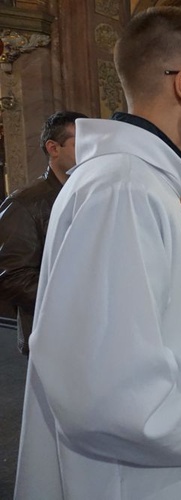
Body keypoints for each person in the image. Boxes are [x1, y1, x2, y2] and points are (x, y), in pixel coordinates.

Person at [15, 8, 181, 500]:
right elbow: (107, 388)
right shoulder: (124, 188)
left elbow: (126, 334)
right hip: (126, 479)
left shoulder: (131, 181)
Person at [0, 110, 86, 356]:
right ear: (53, 148)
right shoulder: (24, 203)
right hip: (50, 337)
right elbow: (12, 277)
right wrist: (78, 298)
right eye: (81, 144)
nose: (92, 152)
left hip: (90, 331)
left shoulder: (90, 194)